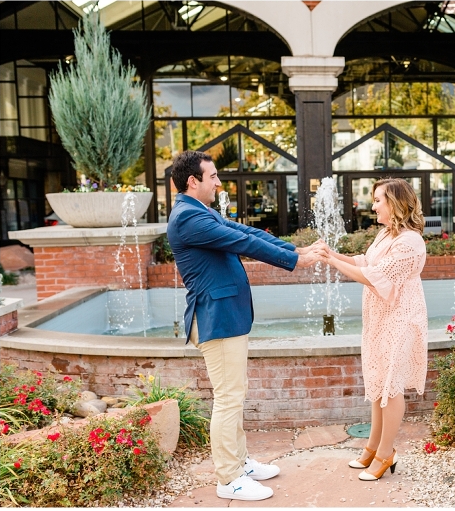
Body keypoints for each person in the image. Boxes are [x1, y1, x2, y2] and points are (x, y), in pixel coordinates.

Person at [167, 150, 326, 501]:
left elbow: (245, 231)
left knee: (234, 395)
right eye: (213, 176)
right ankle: (229, 478)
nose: (218, 182)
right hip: (216, 318)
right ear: (193, 181)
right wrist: (295, 261)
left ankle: (240, 462)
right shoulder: (188, 217)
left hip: (225, 316)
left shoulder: (200, 210)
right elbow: (244, 243)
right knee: (228, 399)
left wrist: (294, 249)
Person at [324, 178, 428, 481]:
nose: (373, 206)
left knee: (390, 387)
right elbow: (365, 262)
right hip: (381, 317)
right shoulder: (387, 234)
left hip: (401, 318)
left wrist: (332, 262)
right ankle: (372, 447)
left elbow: (374, 277)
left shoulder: (410, 241)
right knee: (378, 382)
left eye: (378, 200)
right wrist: (333, 254)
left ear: (395, 203)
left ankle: (385, 454)